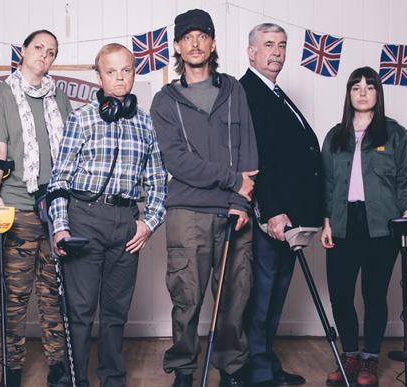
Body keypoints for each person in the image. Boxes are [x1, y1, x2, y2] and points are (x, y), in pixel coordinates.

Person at [47, 43, 167, 387]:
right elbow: (60, 179)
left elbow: (159, 183)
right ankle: (75, 380)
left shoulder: (145, 123)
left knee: (116, 312)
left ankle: (113, 379)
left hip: (126, 223)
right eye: (111, 71)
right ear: (99, 76)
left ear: (133, 73)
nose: (119, 77)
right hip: (83, 218)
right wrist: (60, 228)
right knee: (81, 312)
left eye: (126, 70)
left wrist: (149, 222)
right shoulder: (81, 118)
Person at [150, 9, 258, 387]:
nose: (195, 43)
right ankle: (183, 369)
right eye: (187, 37)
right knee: (187, 297)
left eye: (203, 35)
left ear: (212, 43)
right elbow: (177, 161)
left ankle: (231, 369)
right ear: (177, 46)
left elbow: (249, 151)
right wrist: (232, 180)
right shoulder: (165, 101)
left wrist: (241, 202)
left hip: (233, 211)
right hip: (187, 212)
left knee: (235, 296)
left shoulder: (233, 90)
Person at [321, 66, 407, 387]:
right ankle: (349, 354)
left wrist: (406, 213)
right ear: (348, 94)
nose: (362, 92)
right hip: (342, 223)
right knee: (339, 294)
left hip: (382, 225)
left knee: (374, 294)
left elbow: (404, 177)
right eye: (355, 86)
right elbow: (326, 183)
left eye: (370, 86)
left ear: (379, 93)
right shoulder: (335, 136)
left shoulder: (395, 134)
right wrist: (325, 222)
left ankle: (370, 360)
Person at [0, 29, 72, 387]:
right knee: (15, 296)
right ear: (23, 51)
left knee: (55, 294)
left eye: (51, 51)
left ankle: (58, 366)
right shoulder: (2, 95)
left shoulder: (60, 97)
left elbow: (68, 151)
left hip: (56, 210)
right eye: (38, 48)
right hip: (17, 209)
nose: (44, 55)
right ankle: (12, 367)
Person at [240, 23, 323, 387]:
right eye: (269, 45)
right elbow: (257, 158)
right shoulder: (249, 92)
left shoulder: (273, 92)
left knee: (275, 295)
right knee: (262, 294)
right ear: (251, 52)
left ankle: (266, 363)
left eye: (282, 45)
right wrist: (272, 211)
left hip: (291, 218)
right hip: (272, 217)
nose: (277, 52)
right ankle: (256, 369)